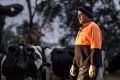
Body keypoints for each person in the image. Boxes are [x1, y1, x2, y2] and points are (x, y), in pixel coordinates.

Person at [70, 6, 103, 80]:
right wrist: (74, 65)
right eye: (77, 15)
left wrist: (93, 65)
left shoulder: (93, 27)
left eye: (80, 15)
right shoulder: (81, 29)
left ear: (87, 15)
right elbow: (78, 51)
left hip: (87, 66)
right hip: (80, 66)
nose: (78, 17)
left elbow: (96, 48)